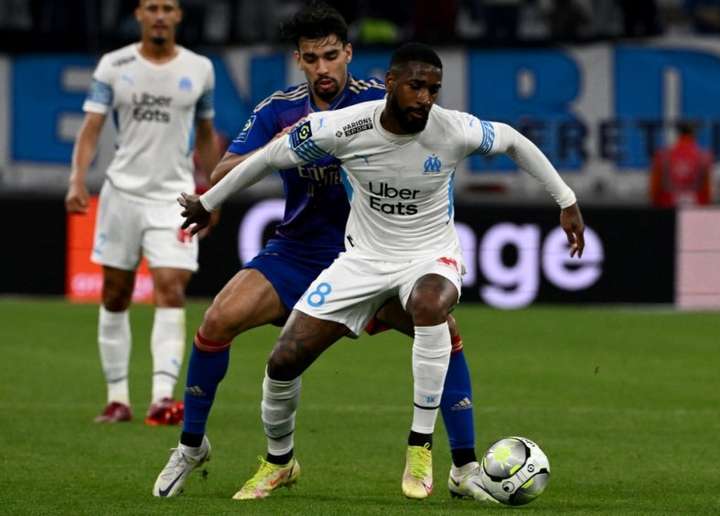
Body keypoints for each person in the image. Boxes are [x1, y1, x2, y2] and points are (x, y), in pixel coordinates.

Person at [176, 42, 585, 500]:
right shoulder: (344, 127)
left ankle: (421, 445)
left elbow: (512, 139)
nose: (425, 98)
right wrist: (208, 202)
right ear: (391, 83)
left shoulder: (452, 129)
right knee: (283, 360)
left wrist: (565, 200)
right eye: (416, 87)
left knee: (433, 308)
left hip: (430, 256)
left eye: (434, 89)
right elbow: (269, 158)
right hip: (362, 261)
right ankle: (278, 462)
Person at [152, 3, 487, 502]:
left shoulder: (383, 100)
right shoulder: (280, 109)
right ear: (299, 60)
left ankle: (465, 465)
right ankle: (192, 445)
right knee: (218, 320)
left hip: (373, 255)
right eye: (311, 58)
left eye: (331, 55)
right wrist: (283, 144)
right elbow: (223, 172)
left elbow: (440, 150)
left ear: (348, 53)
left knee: (442, 328)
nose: (322, 68)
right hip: (297, 252)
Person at [65, 0, 219, 425]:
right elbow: (91, 127)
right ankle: (117, 399)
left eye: (167, 7)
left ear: (178, 16)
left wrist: (215, 192)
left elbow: (206, 134)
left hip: (174, 197)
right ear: (138, 14)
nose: (159, 15)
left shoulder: (200, 68)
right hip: (122, 195)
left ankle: (161, 399)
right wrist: (77, 180)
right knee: (115, 292)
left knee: (170, 286)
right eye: (152, 7)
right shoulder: (113, 65)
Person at [649, 121, 713, 208]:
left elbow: (655, 188)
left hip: (667, 206)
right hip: (696, 208)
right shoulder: (704, 157)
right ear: (694, 134)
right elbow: (707, 190)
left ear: (679, 134)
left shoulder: (663, 156)